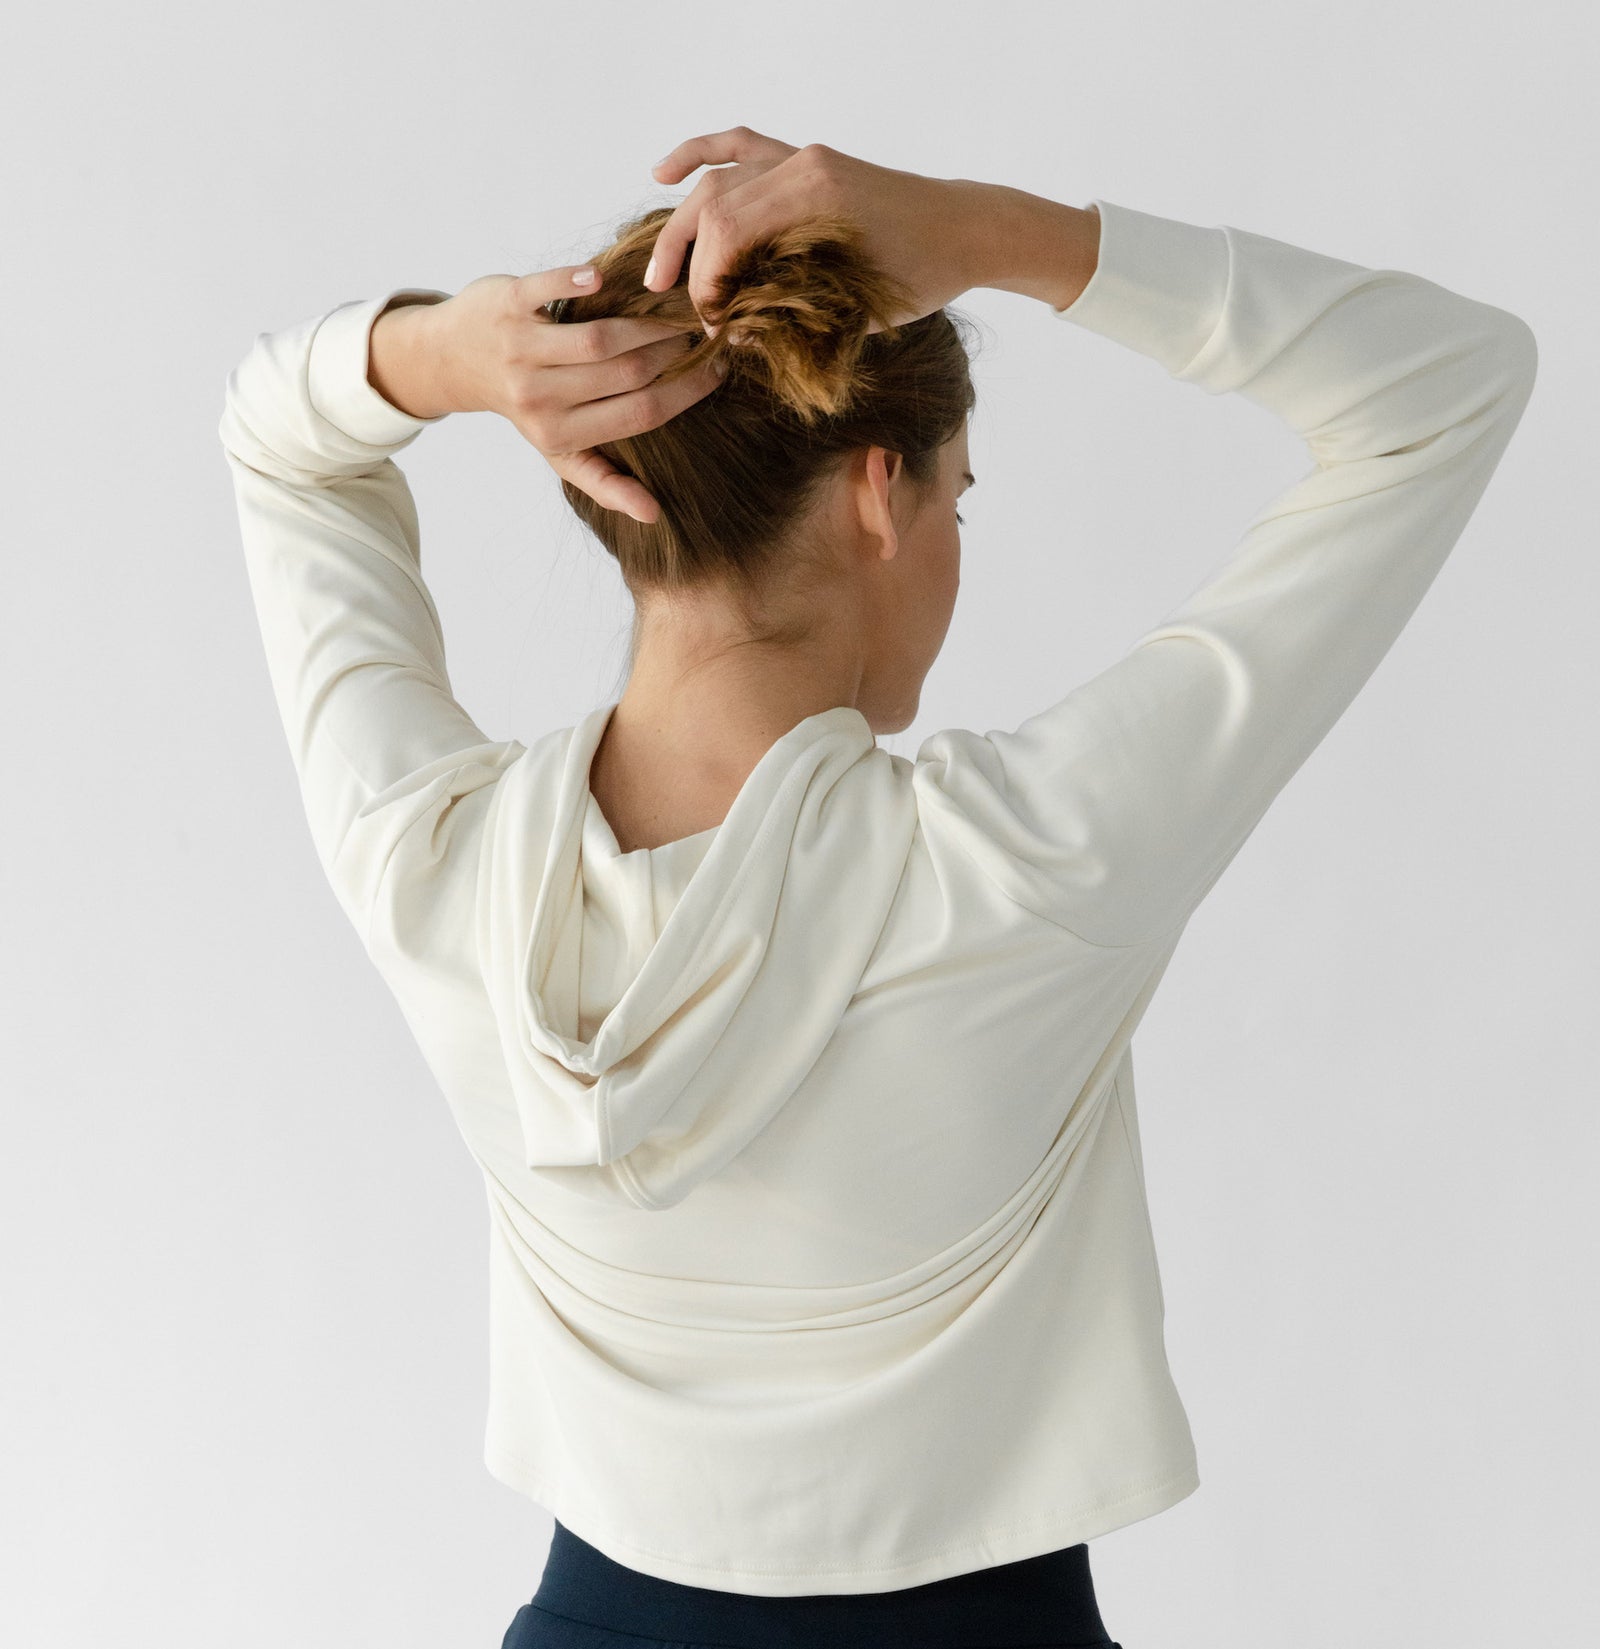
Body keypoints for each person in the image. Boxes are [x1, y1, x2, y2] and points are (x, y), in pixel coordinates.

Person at [218, 127, 1537, 1647]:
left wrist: (446, 355)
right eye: (960, 499)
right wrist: (995, 232)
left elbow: (279, 439)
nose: (956, 541)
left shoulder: (435, 869)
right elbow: (1447, 382)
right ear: (876, 493)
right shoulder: (1026, 863)